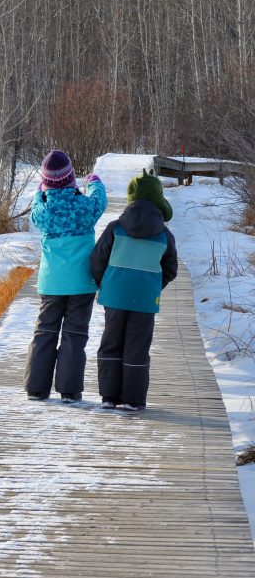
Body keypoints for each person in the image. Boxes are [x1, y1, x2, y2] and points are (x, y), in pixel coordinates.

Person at [91, 169, 178, 411]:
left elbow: (98, 259)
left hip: (115, 296)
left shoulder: (115, 228)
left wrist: (105, 283)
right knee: (137, 347)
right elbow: (171, 269)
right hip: (145, 300)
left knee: (111, 343)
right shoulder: (165, 235)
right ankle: (133, 400)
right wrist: (152, 285)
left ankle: (109, 397)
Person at [24, 150, 107, 402]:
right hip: (82, 282)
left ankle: (36, 388)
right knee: (75, 334)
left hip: (52, 283)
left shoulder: (43, 213)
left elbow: (36, 202)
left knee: (44, 332)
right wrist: (93, 181)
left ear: (47, 181)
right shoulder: (85, 208)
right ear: (71, 177)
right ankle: (69, 391)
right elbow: (99, 199)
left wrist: (41, 190)